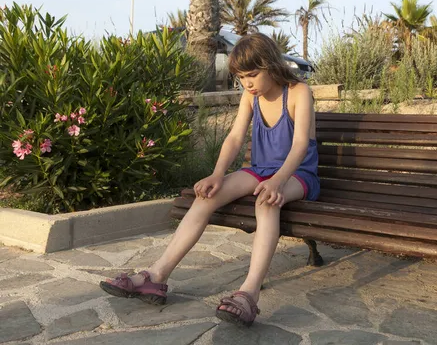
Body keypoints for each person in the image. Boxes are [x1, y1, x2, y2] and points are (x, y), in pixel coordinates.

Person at [99, 33, 320, 327]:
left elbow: (300, 145)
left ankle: (248, 294)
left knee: (266, 203)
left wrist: (278, 181)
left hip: (297, 174)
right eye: (241, 77)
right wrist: (217, 174)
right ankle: (156, 276)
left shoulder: (298, 92)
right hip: (261, 170)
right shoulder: (250, 97)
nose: (247, 83)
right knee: (206, 197)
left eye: (252, 75)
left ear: (270, 65)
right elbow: (234, 137)